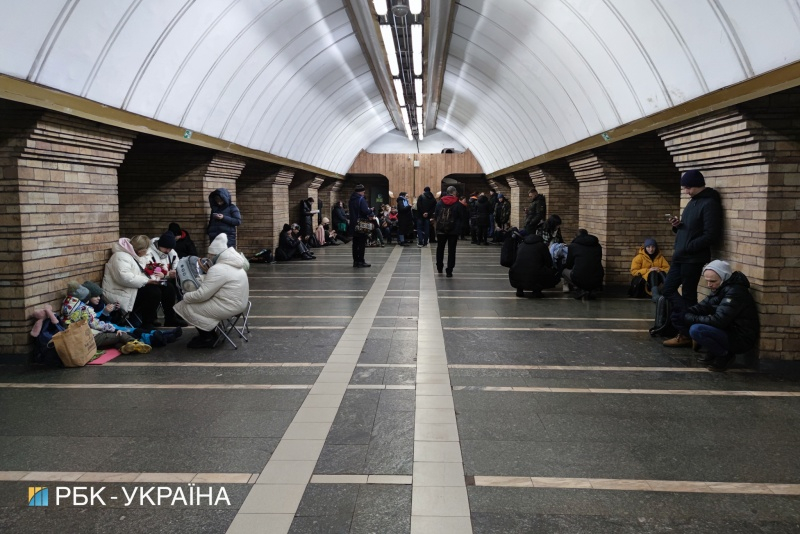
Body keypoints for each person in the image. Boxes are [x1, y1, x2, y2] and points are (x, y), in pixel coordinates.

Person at [662, 170, 723, 348]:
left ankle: (687, 332)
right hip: (680, 256)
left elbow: (711, 234)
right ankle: (689, 326)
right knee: (668, 289)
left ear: (698, 184)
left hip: (693, 258)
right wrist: (677, 226)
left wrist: (688, 246)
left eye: (688, 188)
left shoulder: (710, 203)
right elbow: (689, 229)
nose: (686, 192)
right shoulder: (693, 203)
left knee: (688, 294)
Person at [175, 233, 250, 349]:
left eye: (210, 255)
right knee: (196, 303)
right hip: (240, 305)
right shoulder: (236, 264)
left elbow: (202, 295)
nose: (208, 258)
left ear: (215, 255)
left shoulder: (219, 269)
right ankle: (211, 333)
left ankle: (207, 337)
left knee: (185, 306)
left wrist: (186, 296)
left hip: (228, 306)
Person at [684, 260, 759, 371]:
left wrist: (693, 318)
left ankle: (724, 355)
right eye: (707, 281)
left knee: (697, 330)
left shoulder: (735, 292)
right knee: (690, 321)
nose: (709, 285)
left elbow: (719, 320)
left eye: (713, 281)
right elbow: (704, 305)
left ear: (724, 277)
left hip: (740, 337)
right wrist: (685, 312)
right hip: (729, 330)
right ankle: (715, 351)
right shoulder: (721, 288)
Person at [103, 235, 166, 330]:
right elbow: (124, 278)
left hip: (132, 289)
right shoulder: (120, 256)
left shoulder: (138, 256)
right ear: (140, 250)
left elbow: (146, 271)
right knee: (153, 292)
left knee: (167, 287)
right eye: (146, 250)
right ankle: (147, 323)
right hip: (120, 292)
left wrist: (158, 276)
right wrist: (147, 281)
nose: (148, 252)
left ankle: (170, 318)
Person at [145, 231, 187, 327]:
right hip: (150, 281)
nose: (168, 251)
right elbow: (151, 270)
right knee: (156, 293)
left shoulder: (171, 253)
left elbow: (177, 263)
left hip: (163, 280)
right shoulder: (149, 253)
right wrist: (167, 274)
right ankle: (151, 320)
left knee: (171, 289)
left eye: (170, 248)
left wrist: (175, 271)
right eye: (166, 248)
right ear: (160, 245)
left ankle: (170, 318)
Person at [509, 233, 558, 298]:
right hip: (535, 275)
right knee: (547, 271)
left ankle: (519, 290)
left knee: (522, 269)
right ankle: (537, 291)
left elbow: (515, 260)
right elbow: (549, 263)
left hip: (516, 275)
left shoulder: (521, 245)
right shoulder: (542, 246)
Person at [561, 229, 605, 300]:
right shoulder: (597, 245)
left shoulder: (573, 246)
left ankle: (579, 289)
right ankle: (592, 290)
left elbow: (569, 264)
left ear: (576, 237)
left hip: (579, 277)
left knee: (564, 271)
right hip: (597, 277)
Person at [434, 186, 466, 278]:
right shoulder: (458, 204)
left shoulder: (439, 203)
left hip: (441, 230)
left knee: (440, 249)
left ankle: (439, 267)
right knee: (451, 251)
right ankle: (449, 270)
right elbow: (462, 218)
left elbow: (436, 215)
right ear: (454, 192)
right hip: (453, 231)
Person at [349, 184, 373, 267]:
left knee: (355, 243)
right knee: (362, 243)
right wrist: (370, 210)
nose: (364, 193)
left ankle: (355, 261)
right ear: (361, 192)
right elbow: (365, 211)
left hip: (353, 223)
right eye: (363, 191)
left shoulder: (351, 199)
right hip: (361, 224)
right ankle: (361, 261)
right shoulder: (361, 199)